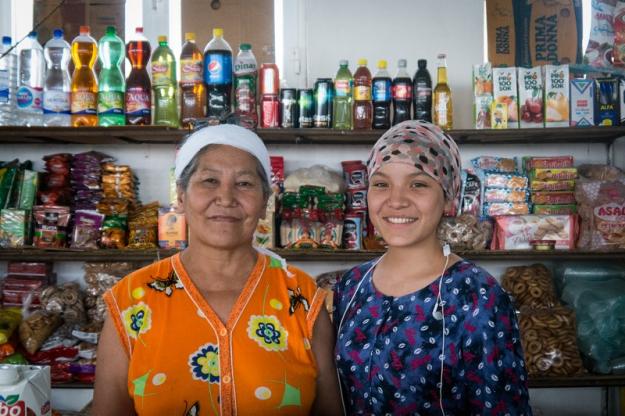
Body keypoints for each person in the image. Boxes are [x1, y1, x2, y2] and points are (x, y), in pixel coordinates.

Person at [93, 124, 342, 415]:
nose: (226, 198)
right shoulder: (131, 301)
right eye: (209, 180)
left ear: (265, 202)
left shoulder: (302, 299)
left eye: (245, 184)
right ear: (182, 196)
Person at [333, 121, 532, 415]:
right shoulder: (351, 286)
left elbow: (501, 407)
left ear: (448, 197)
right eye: (381, 184)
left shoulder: (477, 297)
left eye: (418, 184)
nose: (396, 201)